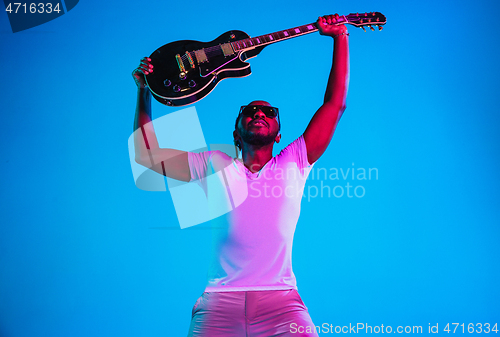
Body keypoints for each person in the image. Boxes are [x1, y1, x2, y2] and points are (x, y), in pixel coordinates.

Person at [132, 14, 349, 337]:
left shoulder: (295, 161)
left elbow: (334, 105)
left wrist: (340, 37)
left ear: (278, 134)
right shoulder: (216, 164)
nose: (258, 114)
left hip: (282, 303)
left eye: (268, 112)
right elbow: (147, 156)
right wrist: (144, 91)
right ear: (236, 133)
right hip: (219, 305)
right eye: (249, 111)